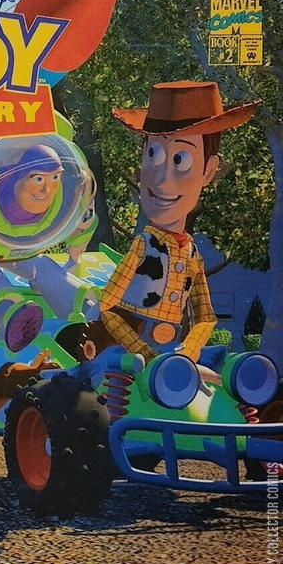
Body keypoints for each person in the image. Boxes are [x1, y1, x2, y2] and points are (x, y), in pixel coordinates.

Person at [85, 81, 258, 366]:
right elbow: (106, 306)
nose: (163, 180)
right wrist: (140, 350)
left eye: (180, 159)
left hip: (170, 354)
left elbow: (206, 317)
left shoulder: (192, 255)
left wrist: (191, 347)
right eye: (153, 154)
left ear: (208, 170)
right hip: (128, 353)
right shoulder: (143, 246)